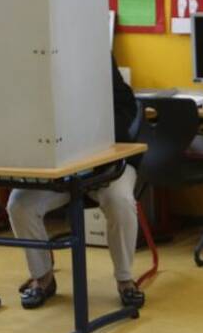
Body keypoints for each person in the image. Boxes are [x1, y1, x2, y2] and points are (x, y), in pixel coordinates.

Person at [7, 55, 144, 311]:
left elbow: (126, 106)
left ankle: (125, 280)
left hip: (108, 163)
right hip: (61, 168)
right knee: (20, 205)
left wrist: (96, 136)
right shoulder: (29, 60)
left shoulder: (95, 52)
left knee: (120, 201)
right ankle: (43, 277)